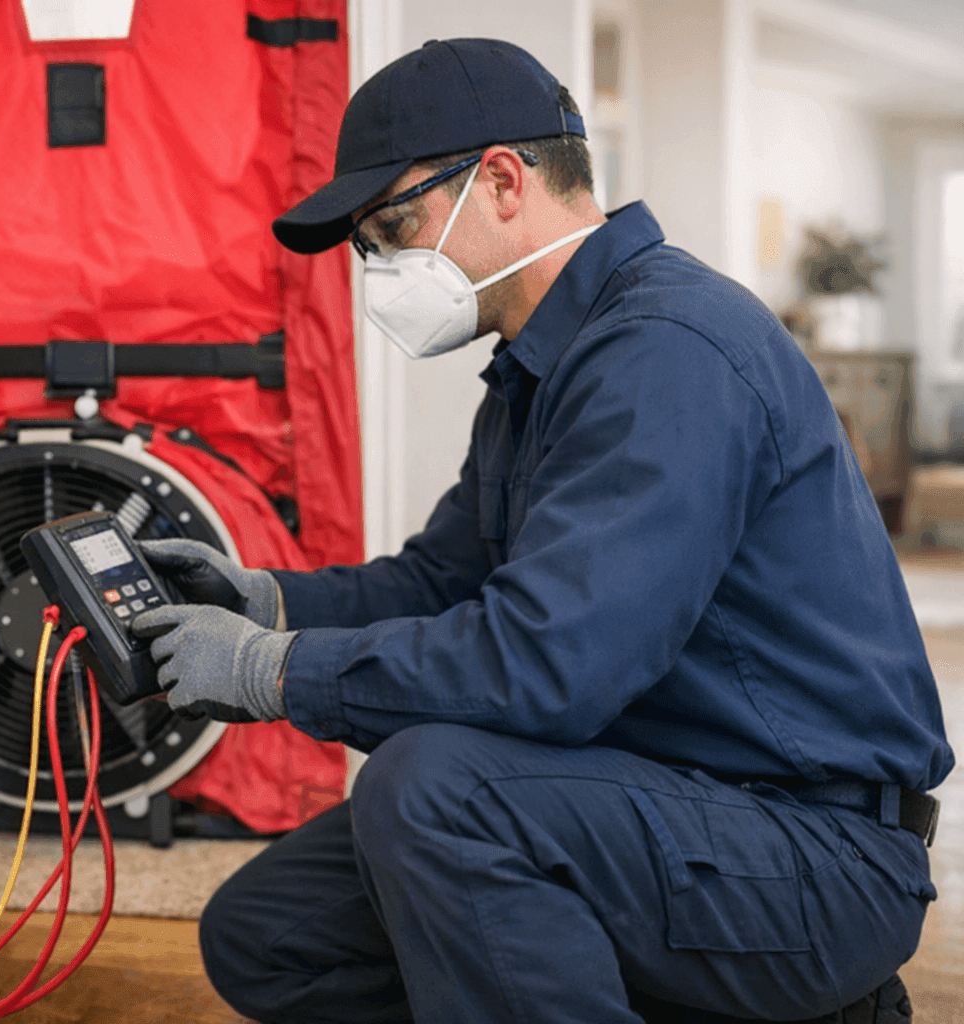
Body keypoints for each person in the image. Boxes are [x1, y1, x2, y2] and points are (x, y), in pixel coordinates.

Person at [130, 37, 950, 1024]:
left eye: (392, 225)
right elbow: (441, 581)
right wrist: (265, 600)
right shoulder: (541, 368)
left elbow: (550, 667)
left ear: (503, 181)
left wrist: (274, 671)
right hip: (669, 804)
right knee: (270, 933)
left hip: (812, 854)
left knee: (434, 790)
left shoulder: (666, 352)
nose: (380, 265)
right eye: (366, 245)